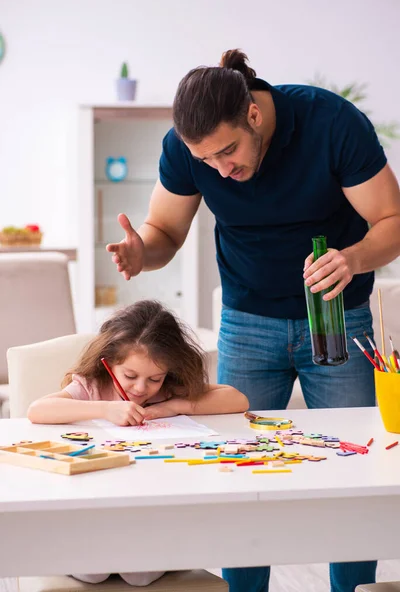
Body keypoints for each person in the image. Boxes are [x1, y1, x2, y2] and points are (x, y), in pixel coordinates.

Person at [105, 49, 400, 592]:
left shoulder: (332, 123)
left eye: (228, 152)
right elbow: (164, 233)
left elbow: (391, 219)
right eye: (206, 161)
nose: (221, 171)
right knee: (236, 466)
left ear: (254, 115)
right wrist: (140, 253)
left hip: (337, 316)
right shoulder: (187, 149)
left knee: (356, 470)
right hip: (246, 319)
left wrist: (353, 258)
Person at [28, 299, 248, 587]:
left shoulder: (168, 390)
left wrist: (175, 406)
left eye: (154, 379)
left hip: (152, 513)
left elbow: (237, 399)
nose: (141, 389)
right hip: (95, 511)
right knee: (91, 572)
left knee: (139, 575)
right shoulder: (93, 386)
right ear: (109, 364)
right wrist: (104, 409)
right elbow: (37, 410)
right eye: (130, 376)